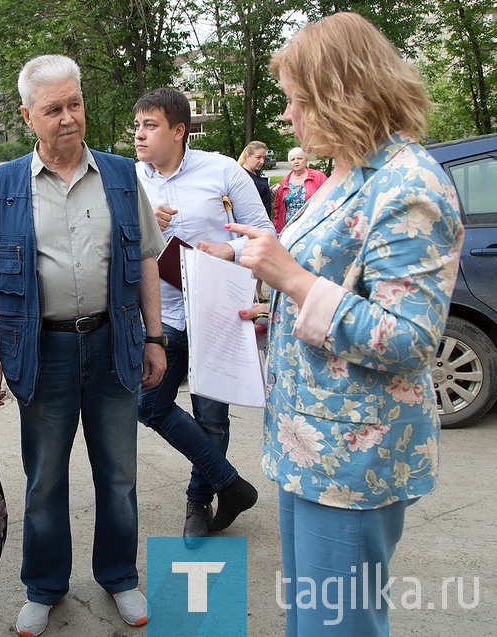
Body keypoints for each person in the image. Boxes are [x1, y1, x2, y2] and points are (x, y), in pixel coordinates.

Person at [231, 12, 464, 637]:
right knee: (311, 619)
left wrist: (291, 280)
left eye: (296, 102)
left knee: (340, 626)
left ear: (339, 95)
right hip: (309, 442)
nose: (288, 117)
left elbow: (412, 340)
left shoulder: (408, 185)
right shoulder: (351, 171)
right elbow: (336, 281)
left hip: (353, 461)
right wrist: (272, 305)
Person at [0, 54, 167, 637]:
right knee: (45, 478)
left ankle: (119, 577)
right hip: (43, 353)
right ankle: (44, 587)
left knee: (119, 475)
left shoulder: (123, 177)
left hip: (113, 345)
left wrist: (154, 338)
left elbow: (147, 258)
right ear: (29, 116)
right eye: (53, 109)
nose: (69, 117)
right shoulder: (2, 186)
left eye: (74, 103)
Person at [132, 88, 274, 540]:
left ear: (179, 130)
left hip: (217, 315)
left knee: (212, 418)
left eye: (150, 126)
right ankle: (231, 484)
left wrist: (229, 249)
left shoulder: (223, 170)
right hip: (163, 318)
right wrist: (141, 226)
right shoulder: (132, 179)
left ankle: (200, 501)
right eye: (136, 126)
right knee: (148, 405)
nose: (139, 135)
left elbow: (265, 235)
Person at [271, 146, 326, 232]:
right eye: (293, 159)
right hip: (288, 227)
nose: (296, 161)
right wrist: (277, 228)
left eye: (299, 158)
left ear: (306, 160)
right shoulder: (284, 181)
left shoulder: (319, 177)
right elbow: (278, 208)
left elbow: (328, 200)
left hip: (311, 226)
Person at [237, 140, 272, 216]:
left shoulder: (254, 174)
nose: (262, 161)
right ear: (247, 156)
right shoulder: (243, 177)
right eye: (258, 157)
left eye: (263, 158)